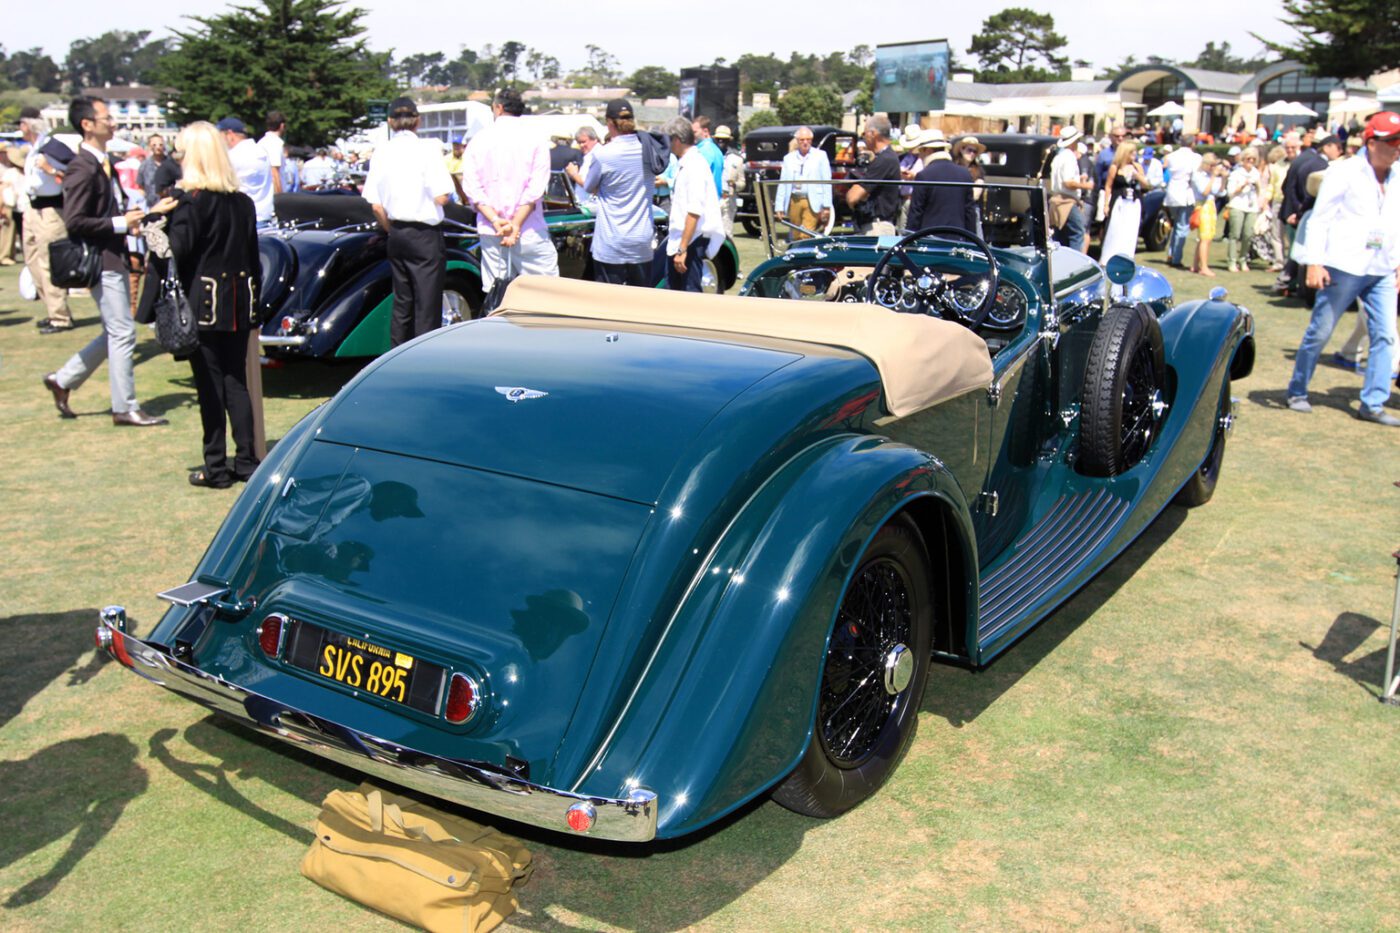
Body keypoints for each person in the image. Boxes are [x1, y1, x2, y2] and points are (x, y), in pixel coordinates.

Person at [148, 121, 262, 485]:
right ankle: (246, 461)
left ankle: (216, 468)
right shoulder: (242, 203)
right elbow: (253, 257)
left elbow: (173, 252)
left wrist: (154, 222)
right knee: (236, 383)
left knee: (210, 388)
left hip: (205, 304)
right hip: (240, 302)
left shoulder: (191, 203)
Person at [42, 96, 166, 428]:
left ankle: (63, 380)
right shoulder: (83, 167)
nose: (112, 122)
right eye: (106, 117)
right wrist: (121, 223)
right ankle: (124, 406)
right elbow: (75, 220)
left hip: (113, 255)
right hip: (101, 259)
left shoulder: (100, 162)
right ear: (87, 124)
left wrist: (126, 221)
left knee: (116, 330)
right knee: (123, 331)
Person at [1285, 112, 1400, 426]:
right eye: (1391, 142)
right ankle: (1297, 389)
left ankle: (1373, 403)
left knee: (1386, 337)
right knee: (1320, 331)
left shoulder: (1397, 175)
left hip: (1382, 268)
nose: (1397, 148)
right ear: (1371, 142)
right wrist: (1313, 262)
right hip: (1343, 264)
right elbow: (1320, 219)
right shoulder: (1344, 172)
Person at [364, 96, 455, 345]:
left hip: (397, 231)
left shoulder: (382, 152)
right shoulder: (427, 149)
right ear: (418, 121)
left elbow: (375, 204)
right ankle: (425, 359)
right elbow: (442, 196)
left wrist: (390, 228)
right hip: (424, 234)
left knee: (402, 301)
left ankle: (397, 354)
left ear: (390, 122)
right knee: (427, 302)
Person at [462, 88, 558, 294]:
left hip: (493, 230)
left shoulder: (478, 140)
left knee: (496, 294)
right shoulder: (535, 139)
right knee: (545, 293)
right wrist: (516, 225)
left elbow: (472, 187)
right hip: (530, 229)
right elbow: (535, 189)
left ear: (498, 108)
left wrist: (497, 220)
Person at [580, 99, 656, 286]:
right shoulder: (649, 151)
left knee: (608, 305)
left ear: (609, 122)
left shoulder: (604, 154)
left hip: (611, 239)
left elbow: (589, 186)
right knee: (640, 303)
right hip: (641, 238)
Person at [20, 108, 75, 333]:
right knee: (33, 260)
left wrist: (50, 169)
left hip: (51, 209)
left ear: (31, 125)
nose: (20, 129)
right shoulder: (33, 149)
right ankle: (52, 310)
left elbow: (73, 174)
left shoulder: (52, 146)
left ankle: (60, 317)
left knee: (48, 262)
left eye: (22, 124)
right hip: (33, 208)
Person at [662, 117, 724, 291]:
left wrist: (682, 249)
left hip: (690, 241)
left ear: (677, 139)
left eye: (669, 140)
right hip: (685, 240)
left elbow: (694, 211)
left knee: (689, 297)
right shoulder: (688, 163)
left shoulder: (694, 166)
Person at [1277, 134, 1341, 294]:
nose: (1339, 152)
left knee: (1296, 252)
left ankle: (1290, 284)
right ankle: (1291, 285)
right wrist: (1298, 212)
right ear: (1327, 146)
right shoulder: (1321, 165)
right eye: (1338, 148)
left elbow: (1287, 187)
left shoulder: (1303, 159)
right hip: (1303, 214)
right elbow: (1311, 195)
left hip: (1294, 212)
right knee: (1301, 254)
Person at [905, 129, 975, 233]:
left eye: (920, 151)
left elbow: (915, 214)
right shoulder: (964, 174)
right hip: (959, 240)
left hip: (930, 241)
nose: (919, 156)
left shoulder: (924, 176)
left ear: (927, 150)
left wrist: (908, 241)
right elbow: (969, 214)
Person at [774, 126, 832, 241]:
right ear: (797, 140)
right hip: (794, 200)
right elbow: (783, 184)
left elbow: (827, 182)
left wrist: (827, 206)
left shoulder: (820, 156)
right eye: (802, 140)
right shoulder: (788, 158)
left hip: (812, 201)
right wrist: (779, 207)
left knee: (806, 234)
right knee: (795, 235)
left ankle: (805, 254)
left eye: (808, 139)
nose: (805, 142)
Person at [846, 115, 901, 235]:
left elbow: (853, 197)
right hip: (876, 226)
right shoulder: (886, 157)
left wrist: (852, 193)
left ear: (873, 134)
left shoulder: (885, 159)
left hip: (877, 228)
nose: (864, 137)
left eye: (864, 133)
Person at [219, 116, 274, 228]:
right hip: (265, 217)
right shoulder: (261, 151)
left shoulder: (233, 156)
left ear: (230, 135)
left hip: (243, 219)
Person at [1049, 126, 1093, 252]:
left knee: (1060, 235)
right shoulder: (1069, 157)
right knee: (1077, 233)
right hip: (1066, 201)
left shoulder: (1059, 157)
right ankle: (1074, 263)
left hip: (1057, 200)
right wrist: (1085, 185)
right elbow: (1068, 182)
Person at [1100, 141, 1144, 261]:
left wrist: (1137, 176)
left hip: (1133, 202)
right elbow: (1108, 186)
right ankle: (1108, 256)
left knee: (1130, 230)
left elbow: (1146, 184)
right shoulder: (1115, 167)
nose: (1134, 154)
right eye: (1131, 152)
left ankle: (1127, 256)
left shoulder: (1137, 167)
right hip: (1118, 200)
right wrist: (1106, 204)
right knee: (1115, 228)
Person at [1224, 147, 1262, 272]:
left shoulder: (1256, 173)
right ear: (1243, 159)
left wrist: (1257, 186)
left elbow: (1259, 191)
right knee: (1235, 234)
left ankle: (1243, 259)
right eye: (1248, 159)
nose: (1250, 161)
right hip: (1237, 205)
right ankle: (1232, 261)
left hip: (1251, 206)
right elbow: (1230, 192)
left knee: (1248, 235)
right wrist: (1242, 186)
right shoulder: (1236, 173)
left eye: (1253, 159)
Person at [1191, 152, 1227, 276]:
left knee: (1206, 237)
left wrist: (1223, 179)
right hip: (1202, 206)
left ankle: (1195, 265)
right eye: (1212, 165)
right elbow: (1205, 191)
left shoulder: (1210, 176)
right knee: (1205, 238)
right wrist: (1213, 177)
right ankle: (1204, 267)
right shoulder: (1198, 175)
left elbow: (1221, 192)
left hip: (1210, 206)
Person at [714, 124, 744, 237]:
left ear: (728, 140)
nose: (721, 141)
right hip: (712, 199)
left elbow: (742, 182)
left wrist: (735, 185)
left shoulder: (737, 159)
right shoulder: (709, 156)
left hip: (728, 199)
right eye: (718, 139)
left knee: (726, 233)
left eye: (724, 139)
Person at [563, 126, 600, 211]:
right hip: (586, 205)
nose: (581, 145)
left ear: (594, 139)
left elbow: (590, 185)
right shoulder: (589, 155)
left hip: (591, 207)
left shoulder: (596, 155)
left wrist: (574, 174)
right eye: (579, 143)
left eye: (584, 142)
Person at [691, 116, 725, 196]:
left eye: (694, 132)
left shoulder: (704, 151)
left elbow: (697, 178)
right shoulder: (716, 150)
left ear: (705, 131)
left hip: (704, 200)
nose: (692, 136)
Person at [137, 134, 168, 206]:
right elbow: (141, 187)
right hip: (151, 206)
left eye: (160, 144)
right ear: (149, 146)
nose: (158, 147)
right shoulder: (144, 165)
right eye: (154, 145)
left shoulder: (172, 163)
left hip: (169, 204)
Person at [260, 111, 286, 194]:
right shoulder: (275, 143)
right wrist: (280, 197)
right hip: (272, 194)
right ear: (282, 126)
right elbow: (274, 172)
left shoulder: (262, 142)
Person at [444, 135, 467, 203]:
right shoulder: (447, 158)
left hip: (465, 185)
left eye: (458, 145)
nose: (456, 147)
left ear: (463, 146)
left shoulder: (467, 157)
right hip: (451, 186)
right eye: (454, 145)